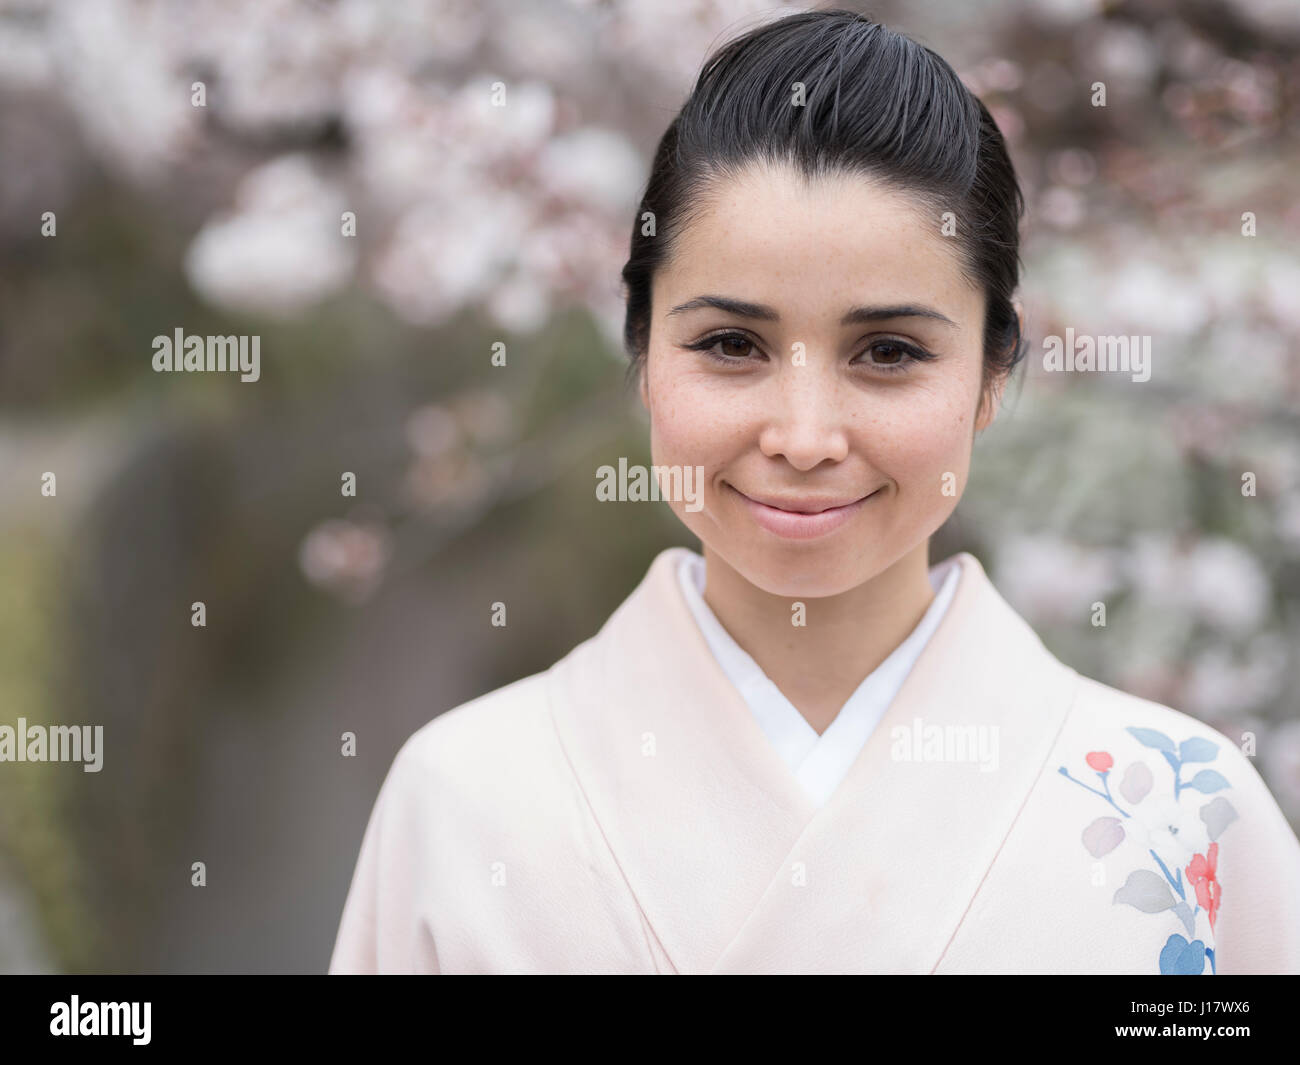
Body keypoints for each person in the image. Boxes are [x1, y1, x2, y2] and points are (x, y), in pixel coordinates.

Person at [328, 8, 1300, 974]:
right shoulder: (461, 802)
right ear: (640, 352)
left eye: (887, 352)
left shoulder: (1184, 821)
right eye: (730, 345)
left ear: (993, 374)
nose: (801, 439)